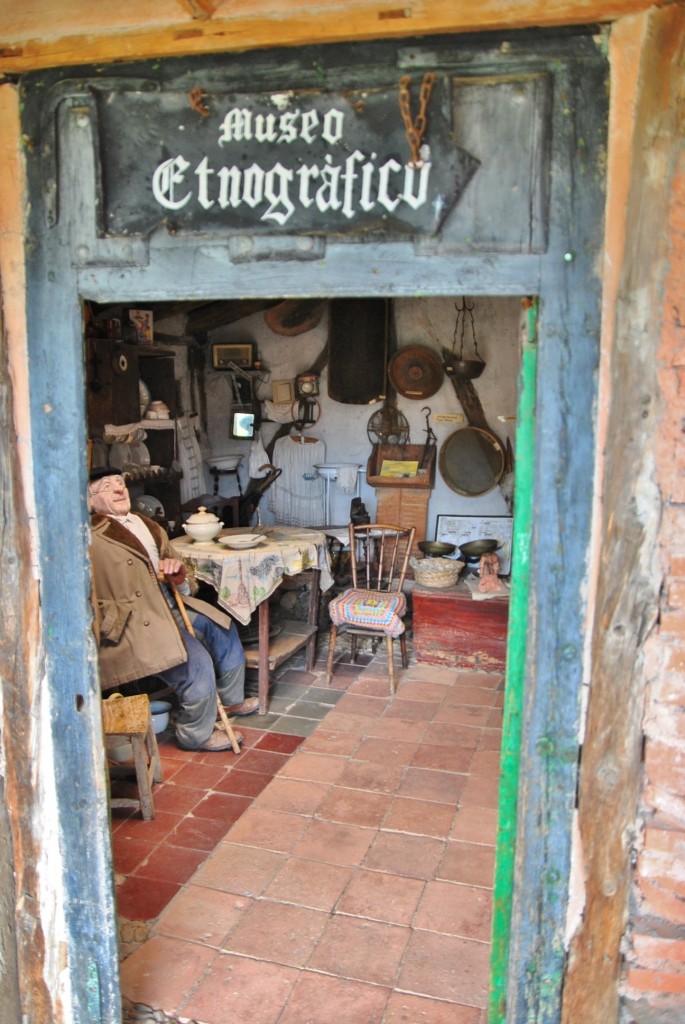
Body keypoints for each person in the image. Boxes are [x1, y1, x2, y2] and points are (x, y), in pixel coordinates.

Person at [88, 467, 258, 752]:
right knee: (196, 662)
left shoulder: (148, 525)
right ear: (90, 500)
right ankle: (196, 735)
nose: (118, 489)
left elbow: (185, 579)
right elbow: (85, 594)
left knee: (222, 628)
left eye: (120, 483)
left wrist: (178, 576)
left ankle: (230, 702)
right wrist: (111, 620)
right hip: (138, 621)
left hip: (170, 606)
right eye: (107, 486)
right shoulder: (89, 537)